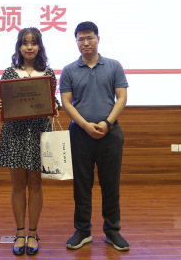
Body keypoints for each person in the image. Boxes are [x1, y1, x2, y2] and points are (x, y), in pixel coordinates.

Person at [59, 21, 130, 252]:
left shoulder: (114, 66)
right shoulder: (69, 70)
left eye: (90, 38)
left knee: (111, 185)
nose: (86, 42)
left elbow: (121, 97)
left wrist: (107, 123)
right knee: (82, 185)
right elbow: (66, 103)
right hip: (80, 135)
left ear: (98, 39)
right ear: (76, 42)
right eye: (81, 39)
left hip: (111, 134)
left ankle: (112, 230)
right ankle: (82, 231)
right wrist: (85, 125)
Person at [0, 27, 60, 256]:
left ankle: (33, 233)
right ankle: (20, 232)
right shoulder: (10, 72)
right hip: (15, 134)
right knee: (17, 185)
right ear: (19, 47)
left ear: (39, 46)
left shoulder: (48, 73)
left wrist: (55, 106)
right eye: (25, 43)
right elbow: (0, 101)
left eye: (33, 43)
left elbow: (53, 101)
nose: (29, 47)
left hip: (39, 133)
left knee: (35, 184)